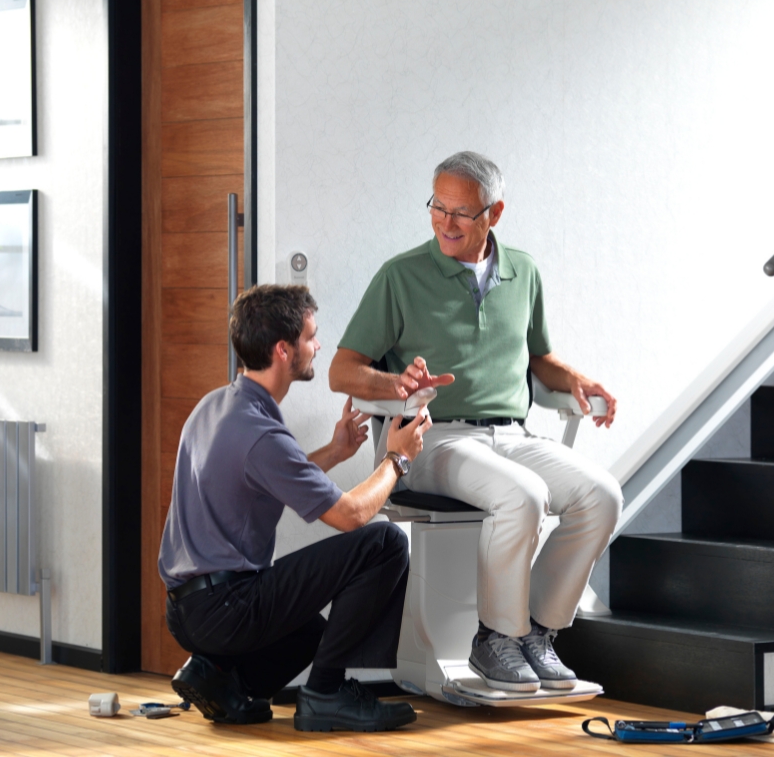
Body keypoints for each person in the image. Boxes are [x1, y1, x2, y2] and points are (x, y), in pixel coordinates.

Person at [329, 151, 623, 693]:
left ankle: (536, 632)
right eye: (437, 207)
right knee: (523, 496)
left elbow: (538, 358)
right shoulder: (401, 275)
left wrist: (575, 379)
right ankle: (495, 639)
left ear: (495, 212)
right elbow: (342, 371)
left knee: (602, 495)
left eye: (462, 212)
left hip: (512, 435)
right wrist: (396, 387)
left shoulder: (523, 271)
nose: (446, 222)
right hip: (432, 440)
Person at [159, 284, 432, 732]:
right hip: (227, 608)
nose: (318, 345)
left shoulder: (217, 406)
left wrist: (336, 451)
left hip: (187, 611)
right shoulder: (261, 432)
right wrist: (397, 459)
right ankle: (325, 695)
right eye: (311, 337)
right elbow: (350, 516)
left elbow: (262, 477)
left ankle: (220, 679)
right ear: (284, 350)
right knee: (383, 540)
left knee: (313, 638)